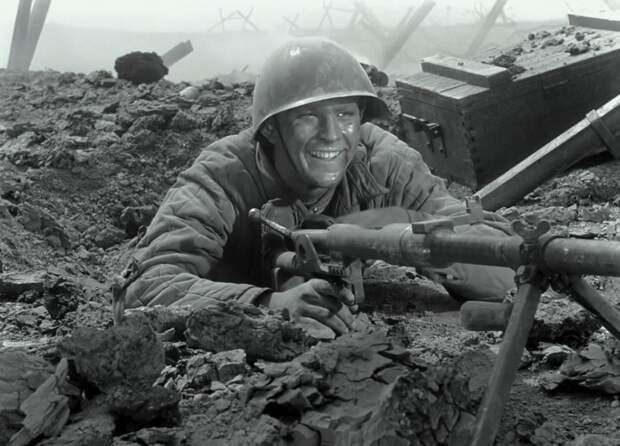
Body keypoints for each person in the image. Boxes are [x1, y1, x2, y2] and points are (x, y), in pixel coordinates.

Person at [123, 37, 515, 338]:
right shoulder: (222, 176)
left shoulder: (383, 162)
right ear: (271, 129)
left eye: (345, 115)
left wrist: (399, 228)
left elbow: (507, 271)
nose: (332, 134)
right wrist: (269, 304)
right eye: (308, 117)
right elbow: (145, 287)